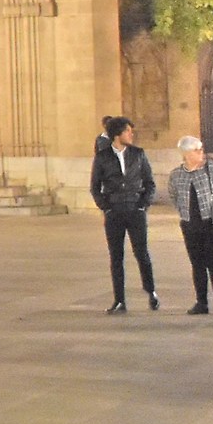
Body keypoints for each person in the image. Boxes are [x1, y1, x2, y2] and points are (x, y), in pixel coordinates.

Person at [91, 116, 159, 313]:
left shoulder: (138, 154)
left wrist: (143, 205)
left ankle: (151, 291)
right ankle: (119, 300)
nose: (131, 134)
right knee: (116, 256)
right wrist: (106, 207)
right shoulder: (102, 157)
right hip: (114, 211)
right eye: (128, 131)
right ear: (117, 134)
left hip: (135, 209)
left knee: (142, 253)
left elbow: (149, 182)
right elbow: (95, 186)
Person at [166, 135, 213, 315]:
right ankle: (201, 302)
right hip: (190, 225)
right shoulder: (176, 174)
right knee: (197, 264)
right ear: (186, 154)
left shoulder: (211, 169)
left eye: (201, 149)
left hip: (212, 223)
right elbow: (173, 195)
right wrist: (184, 211)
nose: (201, 153)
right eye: (197, 150)